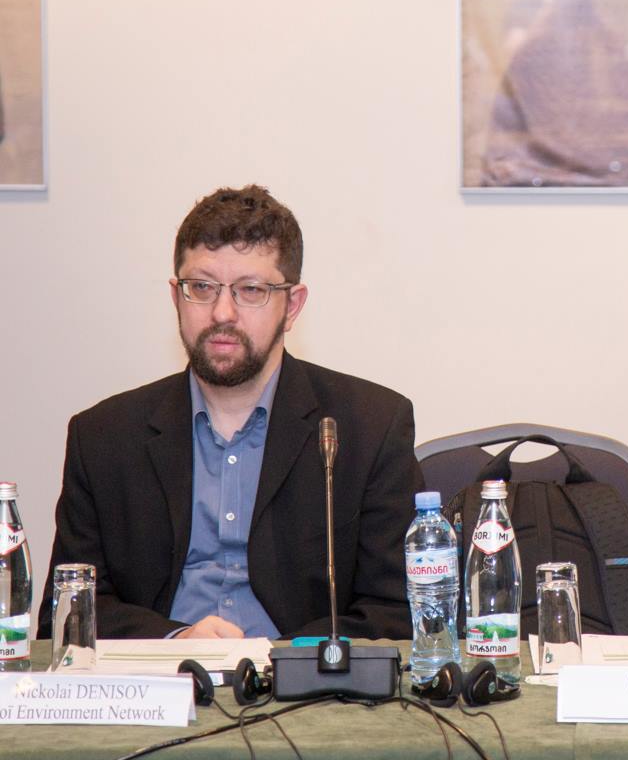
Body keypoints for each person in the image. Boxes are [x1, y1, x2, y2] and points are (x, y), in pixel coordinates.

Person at [38, 185, 421, 640]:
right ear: (176, 297)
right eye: (201, 287)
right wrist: (175, 641)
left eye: (250, 290)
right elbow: (68, 612)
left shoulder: (370, 426)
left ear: (292, 305)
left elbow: (398, 612)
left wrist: (280, 659)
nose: (222, 312)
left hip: (300, 677)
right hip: (163, 676)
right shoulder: (103, 437)